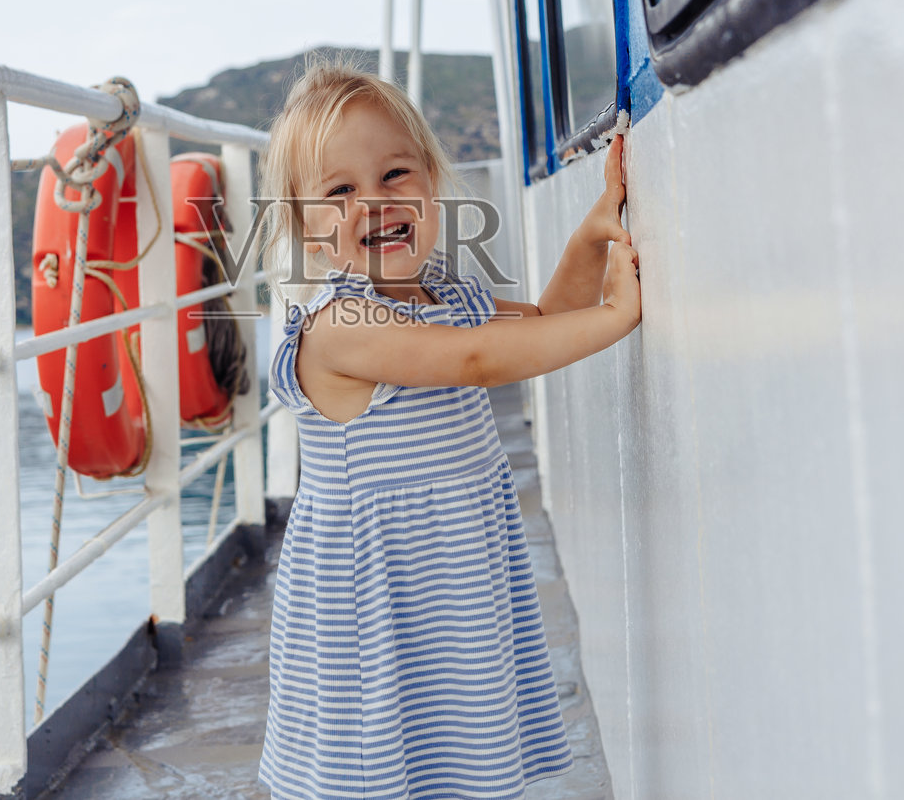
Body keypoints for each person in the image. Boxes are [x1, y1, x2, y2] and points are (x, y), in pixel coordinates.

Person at [255, 59, 641, 800]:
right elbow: (475, 359)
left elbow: (541, 323)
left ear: (431, 181)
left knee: (451, 751)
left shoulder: (448, 297)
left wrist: (590, 240)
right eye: (340, 192)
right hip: (375, 597)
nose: (374, 201)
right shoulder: (340, 323)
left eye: (395, 173)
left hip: (450, 580)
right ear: (307, 228)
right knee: (376, 764)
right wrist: (616, 317)